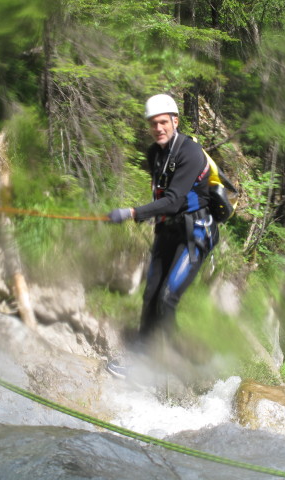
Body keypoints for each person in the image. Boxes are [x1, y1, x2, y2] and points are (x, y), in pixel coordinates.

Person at [106, 94, 219, 379]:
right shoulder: (154, 154)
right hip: (168, 230)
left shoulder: (190, 153)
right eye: (153, 123)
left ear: (175, 121)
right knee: (151, 295)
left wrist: (132, 212)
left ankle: (184, 355)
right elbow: (162, 196)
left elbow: (172, 200)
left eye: (163, 122)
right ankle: (142, 361)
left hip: (196, 233)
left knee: (167, 298)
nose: (158, 128)